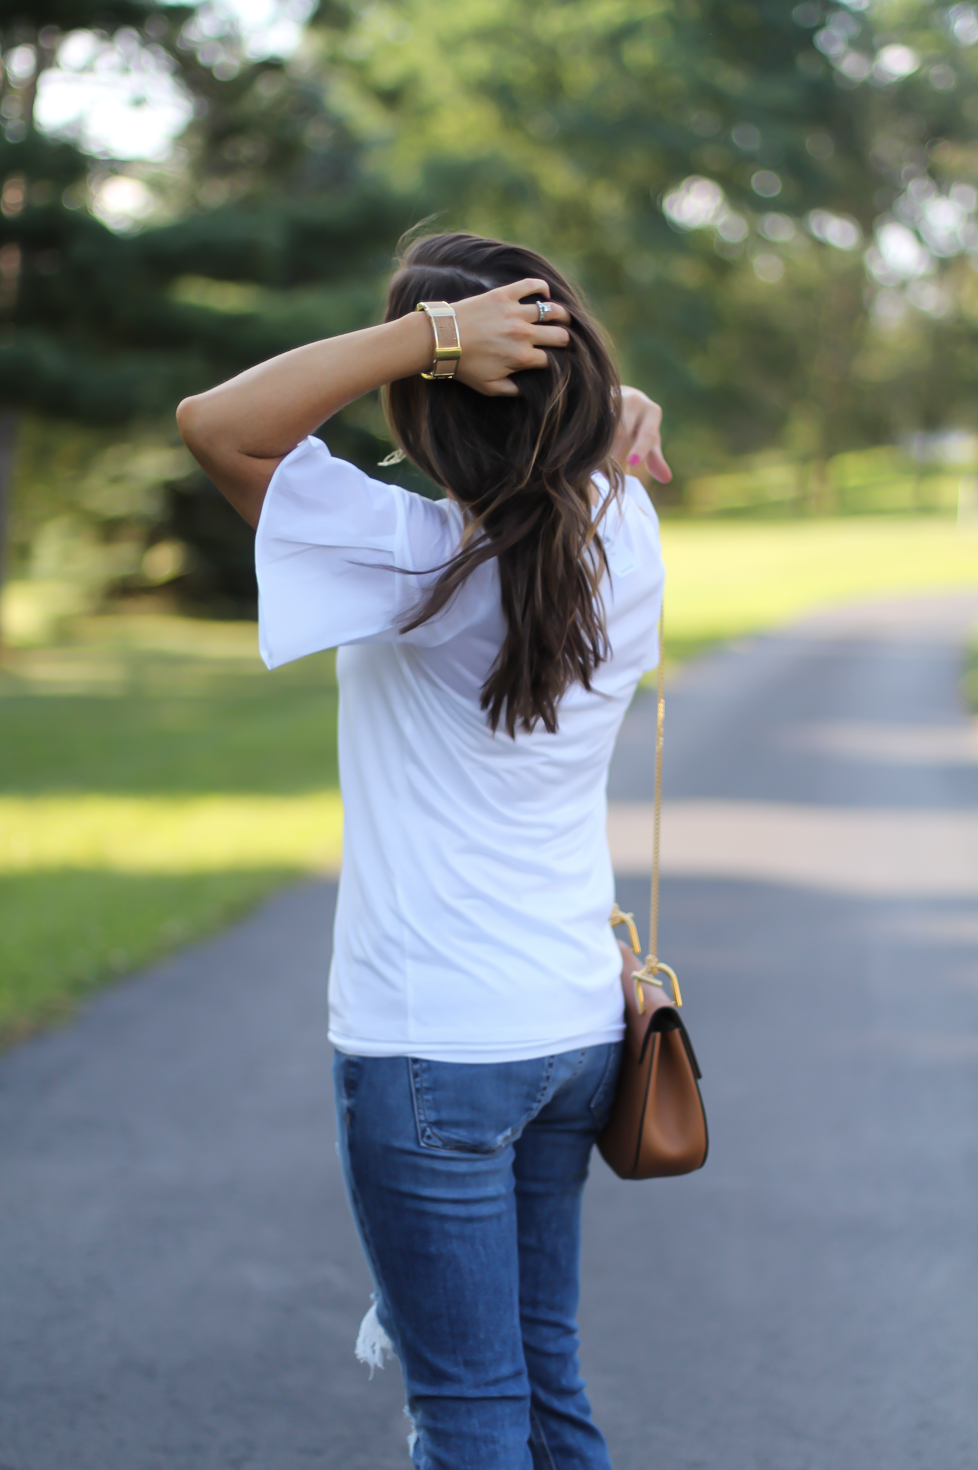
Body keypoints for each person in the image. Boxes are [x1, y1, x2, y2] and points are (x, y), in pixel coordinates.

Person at [176, 231, 671, 1470]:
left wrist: (432, 336)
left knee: (466, 1411)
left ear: (426, 399)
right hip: (571, 1033)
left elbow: (219, 423)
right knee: (543, 1383)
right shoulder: (624, 531)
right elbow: (585, 463)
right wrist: (589, 409)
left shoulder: (411, 556)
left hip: (433, 1046)